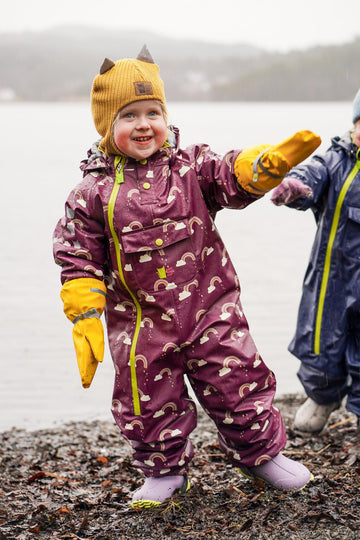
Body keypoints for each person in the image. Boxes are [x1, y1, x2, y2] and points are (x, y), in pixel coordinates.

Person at [53, 45, 320, 509]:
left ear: (165, 115)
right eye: (129, 115)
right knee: (147, 400)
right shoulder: (91, 193)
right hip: (141, 325)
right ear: (105, 125)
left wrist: (260, 168)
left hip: (210, 308)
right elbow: (78, 255)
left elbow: (228, 177)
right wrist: (84, 314)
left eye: (152, 111)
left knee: (238, 381)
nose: (143, 124)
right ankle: (165, 471)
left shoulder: (190, 166)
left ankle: (260, 455)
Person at [271, 88, 360, 433]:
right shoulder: (336, 159)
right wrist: (296, 187)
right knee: (321, 341)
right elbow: (312, 174)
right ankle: (321, 398)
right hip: (332, 279)